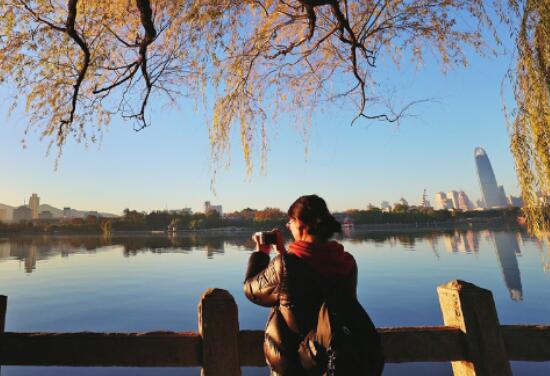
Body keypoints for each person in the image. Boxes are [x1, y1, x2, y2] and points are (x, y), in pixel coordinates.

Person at [243, 194, 383, 375]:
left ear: (299, 223)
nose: (289, 227)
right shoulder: (346, 261)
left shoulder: (285, 265)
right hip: (332, 362)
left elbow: (251, 290)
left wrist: (261, 253)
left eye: (290, 222)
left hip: (297, 365)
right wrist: (283, 254)